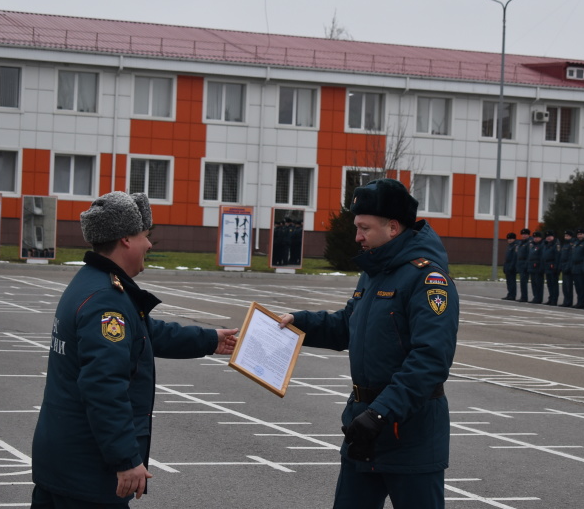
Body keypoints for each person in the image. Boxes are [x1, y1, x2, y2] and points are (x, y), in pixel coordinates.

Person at [31, 191, 239, 508]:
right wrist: (126, 459)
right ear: (126, 238)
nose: (149, 245)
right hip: (85, 474)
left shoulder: (93, 283)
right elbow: (103, 386)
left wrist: (210, 339)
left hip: (64, 463)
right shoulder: (106, 300)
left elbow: (144, 332)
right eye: (144, 235)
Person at [278, 178, 458, 509]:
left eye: (364, 228)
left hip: (408, 433)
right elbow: (347, 326)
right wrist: (299, 322)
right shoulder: (376, 271)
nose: (357, 236)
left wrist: (381, 414)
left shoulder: (427, 278)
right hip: (364, 429)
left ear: (393, 227)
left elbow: (431, 359)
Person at [528, 231, 545, 304]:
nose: (535, 239)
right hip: (532, 266)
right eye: (534, 237)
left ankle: (538, 298)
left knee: (538, 283)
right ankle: (535, 296)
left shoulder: (542, 245)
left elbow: (542, 257)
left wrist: (541, 267)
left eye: (537, 237)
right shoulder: (533, 245)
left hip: (538, 266)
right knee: (534, 283)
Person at [515, 228, 532, 302]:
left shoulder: (529, 243)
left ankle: (524, 297)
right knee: (522, 282)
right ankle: (523, 296)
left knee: (524, 281)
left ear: (528, 235)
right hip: (520, 263)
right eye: (523, 234)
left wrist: (526, 264)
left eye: (525, 234)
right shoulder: (521, 243)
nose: (524, 236)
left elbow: (529, 254)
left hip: (525, 263)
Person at [502, 232, 518, 300]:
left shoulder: (515, 246)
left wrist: (512, 266)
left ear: (514, 239)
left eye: (511, 239)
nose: (509, 240)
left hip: (512, 265)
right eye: (508, 239)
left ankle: (512, 295)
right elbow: (506, 258)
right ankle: (509, 294)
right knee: (508, 281)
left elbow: (514, 257)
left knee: (512, 281)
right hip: (507, 264)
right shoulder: (509, 246)